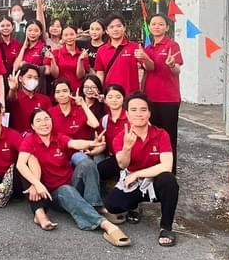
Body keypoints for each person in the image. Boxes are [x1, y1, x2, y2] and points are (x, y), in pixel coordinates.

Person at [16, 108, 130, 246]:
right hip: (54, 194)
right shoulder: (30, 141)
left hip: (72, 185)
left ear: (51, 121)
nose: (44, 123)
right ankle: (105, 224)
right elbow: (20, 164)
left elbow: (74, 143)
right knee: (66, 190)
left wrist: (91, 143)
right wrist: (37, 183)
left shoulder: (58, 137)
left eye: (46, 119)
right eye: (38, 120)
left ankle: (94, 207)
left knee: (87, 164)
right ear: (33, 126)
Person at [104, 92, 180, 247]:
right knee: (112, 205)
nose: (139, 114)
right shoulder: (121, 137)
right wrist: (127, 148)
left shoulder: (161, 134)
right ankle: (134, 206)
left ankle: (166, 228)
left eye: (143, 109)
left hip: (154, 181)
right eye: (134, 110)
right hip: (133, 182)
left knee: (169, 180)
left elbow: (166, 166)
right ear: (127, 114)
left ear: (149, 113)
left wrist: (137, 174)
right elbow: (122, 165)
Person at [143, 14, 184, 173]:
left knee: (168, 136)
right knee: (152, 136)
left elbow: (177, 70)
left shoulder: (172, 45)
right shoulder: (148, 48)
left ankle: (169, 171)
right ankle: (154, 169)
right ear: (149, 27)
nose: (157, 27)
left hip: (169, 99)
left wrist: (172, 64)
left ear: (166, 27)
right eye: (153, 24)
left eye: (160, 24)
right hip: (150, 98)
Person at [95, 13, 142, 94]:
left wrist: (145, 58)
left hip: (131, 95)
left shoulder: (135, 47)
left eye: (119, 26)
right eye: (111, 27)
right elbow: (100, 74)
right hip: (110, 95)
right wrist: (99, 92)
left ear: (124, 27)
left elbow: (147, 68)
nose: (115, 29)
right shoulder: (101, 50)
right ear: (107, 31)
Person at [48, 78, 100, 143]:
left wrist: (83, 104)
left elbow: (95, 124)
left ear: (71, 93)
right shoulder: (50, 112)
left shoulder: (80, 109)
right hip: (60, 148)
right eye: (58, 92)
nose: (61, 94)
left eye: (65, 91)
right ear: (54, 96)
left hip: (82, 147)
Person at [7, 63, 51, 135]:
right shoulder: (16, 96)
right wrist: (13, 89)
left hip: (40, 136)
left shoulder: (45, 99)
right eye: (29, 77)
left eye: (35, 78)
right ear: (20, 78)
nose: (32, 80)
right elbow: (11, 98)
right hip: (20, 137)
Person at [97, 84, 127, 182]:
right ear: (105, 100)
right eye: (110, 97)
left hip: (130, 156)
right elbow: (102, 143)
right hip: (113, 157)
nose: (114, 100)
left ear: (123, 98)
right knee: (97, 169)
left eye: (118, 97)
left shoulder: (131, 117)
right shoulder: (104, 120)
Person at [45, 25, 89, 92]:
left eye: (72, 34)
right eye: (66, 35)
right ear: (62, 37)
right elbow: (55, 75)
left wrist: (80, 60)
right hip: (61, 90)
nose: (69, 37)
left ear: (76, 35)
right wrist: (52, 60)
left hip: (77, 90)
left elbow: (80, 76)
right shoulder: (56, 53)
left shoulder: (82, 54)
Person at [0, 4, 22, 74]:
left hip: (11, 77)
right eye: (2, 26)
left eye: (8, 25)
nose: (5, 28)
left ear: (12, 27)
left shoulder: (17, 44)